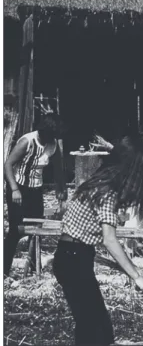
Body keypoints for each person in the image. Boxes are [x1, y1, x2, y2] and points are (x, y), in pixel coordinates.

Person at [52, 135, 143, 346]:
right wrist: (137, 276)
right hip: (73, 258)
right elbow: (110, 241)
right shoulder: (107, 192)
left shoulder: (99, 182)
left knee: (93, 325)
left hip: (72, 254)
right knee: (94, 328)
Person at [4, 113, 67, 276]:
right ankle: (4, 270)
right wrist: (14, 190)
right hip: (18, 187)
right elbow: (8, 164)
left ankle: (32, 268)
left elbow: (59, 170)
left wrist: (61, 191)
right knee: (15, 231)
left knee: (36, 230)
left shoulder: (53, 145)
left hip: (35, 189)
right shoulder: (28, 141)